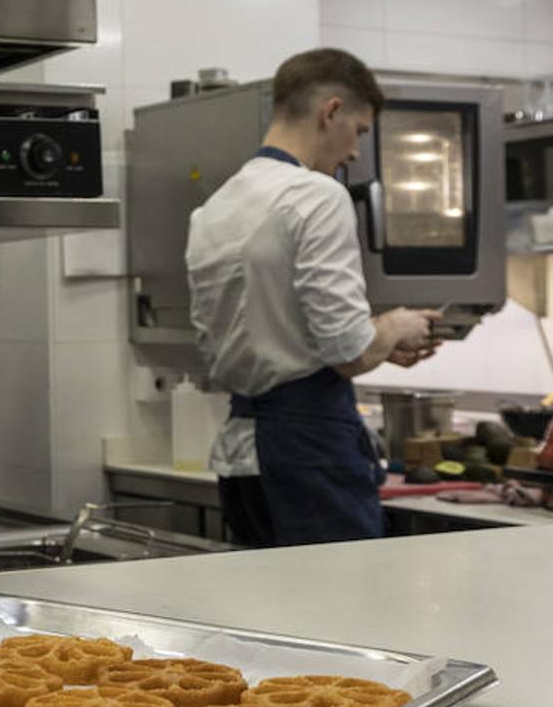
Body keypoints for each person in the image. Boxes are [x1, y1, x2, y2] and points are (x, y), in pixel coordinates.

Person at [185, 48, 439, 548]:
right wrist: (395, 328)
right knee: (344, 615)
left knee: (264, 616)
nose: (354, 153)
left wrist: (378, 341)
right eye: (360, 131)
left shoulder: (214, 208)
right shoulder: (317, 195)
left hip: (242, 453)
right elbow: (348, 351)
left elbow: (267, 331)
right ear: (331, 112)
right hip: (308, 450)